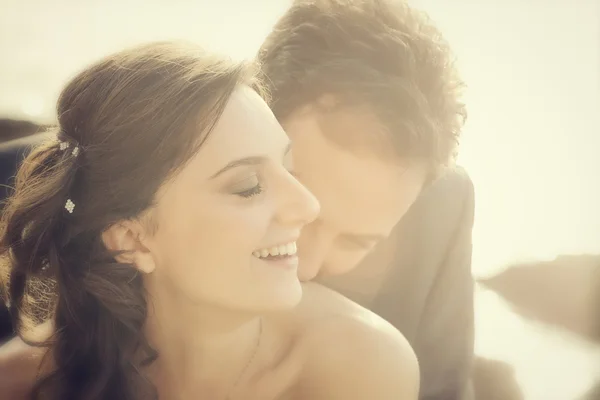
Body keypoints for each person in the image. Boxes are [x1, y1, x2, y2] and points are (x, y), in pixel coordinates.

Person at [0, 42, 419, 399]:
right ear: (132, 238)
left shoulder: (362, 368)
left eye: (289, 169)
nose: (308, 206)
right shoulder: (19, 386)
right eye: (249, 184)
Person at [257, 1, 475, 399]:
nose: (305, 268)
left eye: (356, 242)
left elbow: (444, 385)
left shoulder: (443, 205)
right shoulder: (163, 163)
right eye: (302, 212)